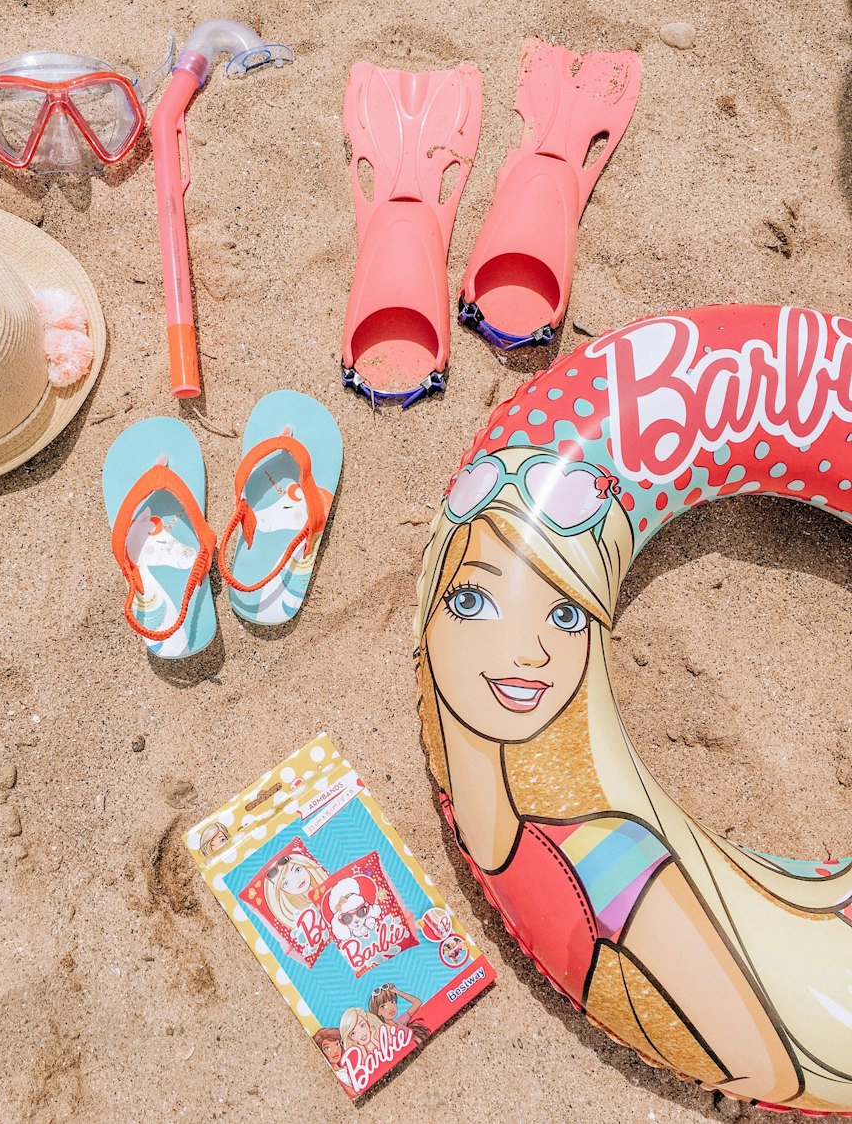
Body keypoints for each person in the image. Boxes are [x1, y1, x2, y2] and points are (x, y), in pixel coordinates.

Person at [415, 445, 852, 1110]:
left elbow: (764, 1057)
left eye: (566, 617)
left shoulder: (613, 859)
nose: (531, 651)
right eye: (473, 597)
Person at [262, 849, 329, 937]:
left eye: (297, 870)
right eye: (286, 884)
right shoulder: (295, 915)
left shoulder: (328, 890)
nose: (297, 880)